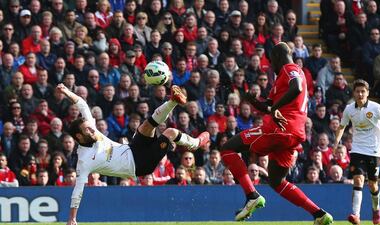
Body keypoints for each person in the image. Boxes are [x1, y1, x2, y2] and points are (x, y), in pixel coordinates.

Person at [59, 83, 209, 225]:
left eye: (90, 127)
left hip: (132, 149)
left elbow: (82, 104)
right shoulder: (84, 160)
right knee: (169, 132)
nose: (92, 129)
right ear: (79, 137)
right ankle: (195, 144)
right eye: (88, 130)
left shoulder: (90, 128)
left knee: (146, 126)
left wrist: (66, 91)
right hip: (138, 165)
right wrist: (72, 218)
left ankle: (173, 101)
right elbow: (77, 191)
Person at [219, 43, 333, 224]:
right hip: (293, 135)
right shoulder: (281, 80)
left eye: (272, 60)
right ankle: (319, 214)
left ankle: (251, 195)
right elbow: (267, 107)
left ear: (279, 56)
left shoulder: (291, 69)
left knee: (227, 149)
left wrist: (275, 107)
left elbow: (297, 88)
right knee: (276, 180)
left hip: (280, 130)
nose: (271, 65)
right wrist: (251, 100)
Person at [333, 79, 380, 225]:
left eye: (363, 91)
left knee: (373, 185)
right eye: (357, 91)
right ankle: (355, 215)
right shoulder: (349, 109)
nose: (360, 94)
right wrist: (336, 142)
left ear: (367, 93)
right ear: (353, 93)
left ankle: (376, 208)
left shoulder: (376, 107)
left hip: (373, 151)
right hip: (357, 149)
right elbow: (341, 126)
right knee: (358, 179)